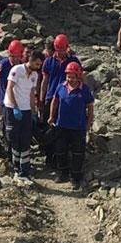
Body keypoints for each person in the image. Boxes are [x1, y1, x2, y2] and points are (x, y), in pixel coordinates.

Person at [48, 62, 94, 190]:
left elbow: (90, 107)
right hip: (62, 125)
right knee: (60, 150)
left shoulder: (84, 89)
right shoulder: (61, 87)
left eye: (73, 77)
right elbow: (55, 101)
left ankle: (75, 177)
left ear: (78, 76)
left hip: (78, 127)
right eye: (68, 76)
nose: (70, 79)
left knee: (77, 153)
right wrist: (52, 116)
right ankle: (63, 173)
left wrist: (89, 122)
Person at [40, 34, 81, 169]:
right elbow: (45, 80)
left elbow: (80, 79)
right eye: (58, 49)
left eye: (63, 49)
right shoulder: (48, 62)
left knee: (64, 129)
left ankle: (64, 157)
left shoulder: (73, 61)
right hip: (51, 97)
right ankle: (49, 155)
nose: (61, 52)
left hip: (67, 99)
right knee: (50, 128)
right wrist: (41, 97)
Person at [4, 50, 44, 183]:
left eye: (40, 65)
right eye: (37, 64)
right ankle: (16, 168)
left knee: (26, 139)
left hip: (26, 110)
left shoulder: (34, 75)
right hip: (13, 108)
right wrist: (15, 107)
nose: (38, 67)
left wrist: (34, 112)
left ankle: (25, 169)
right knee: (15, 138)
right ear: (31, 60)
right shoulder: (17, 70)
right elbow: (10, 88)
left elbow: (32, 93)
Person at [0, 40, 25, 139]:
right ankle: (7, 144)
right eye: (12, 56)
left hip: (20, 101)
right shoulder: (3, 64)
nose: (15, 59)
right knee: (7, 124)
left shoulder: (23, 66)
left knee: (19, 125)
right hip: (4, 101)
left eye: (17, 56)